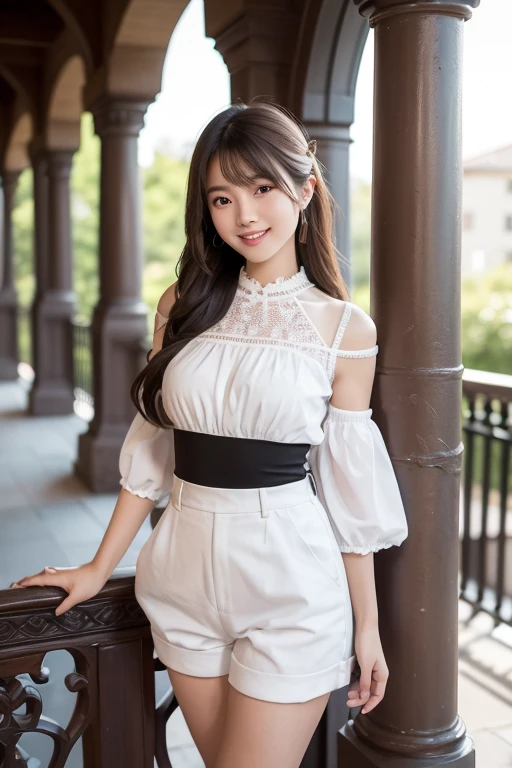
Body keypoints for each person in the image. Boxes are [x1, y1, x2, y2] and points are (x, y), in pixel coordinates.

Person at [11, 98, 408, 768]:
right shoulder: (183, 305)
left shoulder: (344, 330)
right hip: (180, 575)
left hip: (290, 583)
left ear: (305, 189)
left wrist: (367, 630)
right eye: (223, 198)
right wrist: (99, 567)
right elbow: (151, 451)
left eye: (262, 189)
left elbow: (349, 497)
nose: (245, 216)